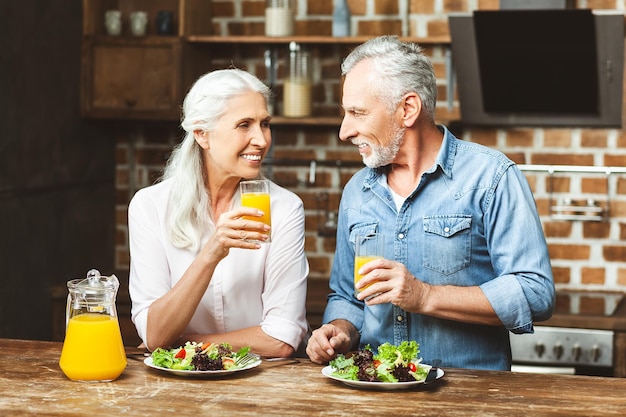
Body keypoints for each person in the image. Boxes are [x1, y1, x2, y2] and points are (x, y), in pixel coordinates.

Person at [306, 36, 555, 370]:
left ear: (408, 109)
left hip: (469, 398)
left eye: (357, 113)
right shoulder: (357, 192)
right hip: (377, 392)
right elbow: (348, 298)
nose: (344, 131)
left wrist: (424, 296)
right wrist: (338, 330)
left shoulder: (491, 177)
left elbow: (535, 292)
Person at [128, 68, 309, 358]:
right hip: (178, 385)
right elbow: (155, 332)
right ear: (202, 134)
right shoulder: (150, 207)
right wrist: (212, 252)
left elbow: (281, 338)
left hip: (260, 383)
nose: (261, 140)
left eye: (265, 124)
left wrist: (186, 342)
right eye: (244, 125)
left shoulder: (284, 208)